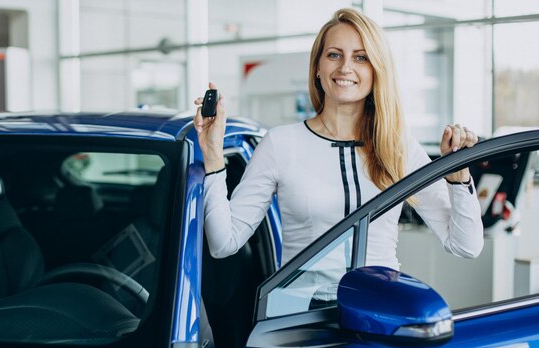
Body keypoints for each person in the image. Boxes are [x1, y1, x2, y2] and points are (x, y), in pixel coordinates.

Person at [194, 8, 483, 303]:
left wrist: (458, 176)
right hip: (297, 320)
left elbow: (466, 245)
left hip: (378, 312)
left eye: (360, 57)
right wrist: (213, 155)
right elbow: (223, 243)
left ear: (375, 70)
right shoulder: (281, 143)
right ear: (317, 67)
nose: (345, 67)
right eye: (334, 55)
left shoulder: (399, 147)